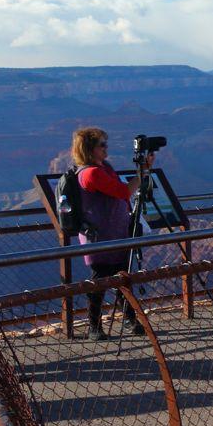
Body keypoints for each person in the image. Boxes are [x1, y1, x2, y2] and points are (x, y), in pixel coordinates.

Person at [68, 126, 143, 340]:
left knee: (123, 277)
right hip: (100, 237)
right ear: (90, 148)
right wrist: (142, 173)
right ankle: (94, 327)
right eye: (102, 144)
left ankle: (129, 320)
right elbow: (123, 191)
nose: (106, 148)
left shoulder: (104, 167)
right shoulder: (90, 173)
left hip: (117, 234)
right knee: (99, 281)